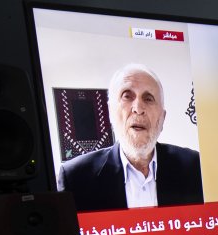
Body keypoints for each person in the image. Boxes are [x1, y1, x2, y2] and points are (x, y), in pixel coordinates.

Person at [58, 63, 203, 212]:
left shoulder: (196, 168)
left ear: (162, 117)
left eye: (148, 99)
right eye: (127, 96)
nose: (138, 109)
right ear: (110, 112)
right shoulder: (75, 178)